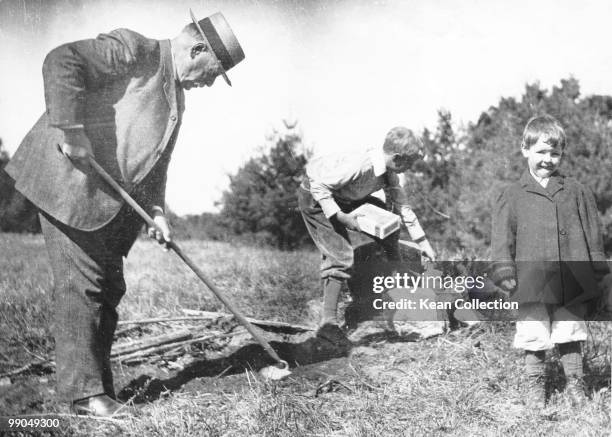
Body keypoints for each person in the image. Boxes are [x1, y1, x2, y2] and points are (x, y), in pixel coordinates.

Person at [4, 10, 244, 416]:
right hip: (66, 183)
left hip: (103, 204)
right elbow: (61, 59)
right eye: (213, 71)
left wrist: (157, 212)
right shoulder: (137, 51)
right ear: (197, 49)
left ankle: (98, 387)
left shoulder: (176, 99)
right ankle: (83, 397)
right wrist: (72, 130)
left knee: (110, 287)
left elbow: (155, 165)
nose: (208, 82)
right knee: (85, 285)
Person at [490, 114, 608, 408]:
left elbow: (593, 233)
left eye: (555, 153)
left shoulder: (576, 191)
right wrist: (504, 270)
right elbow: (502, 238)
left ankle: (576, 387)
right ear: (525, 149)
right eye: (541, 151)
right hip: (532, 277)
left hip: (572, 272)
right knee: (534, 332)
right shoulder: (512, 194)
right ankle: (536, 390)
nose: (548, 159)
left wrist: (596, 268)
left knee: (570, 330)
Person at [298, 126, 436, 346]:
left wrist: (423, 242)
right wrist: (341, 218)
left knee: (389, 220)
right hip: (317, 199)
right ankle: (328, 325)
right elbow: (319, 185)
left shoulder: (389, 173)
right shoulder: (361, 166)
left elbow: (403, 206)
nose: (409, 169)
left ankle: (397, 277)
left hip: (347, 197)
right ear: (398, 158)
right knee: (340, 256)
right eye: (410, 164)